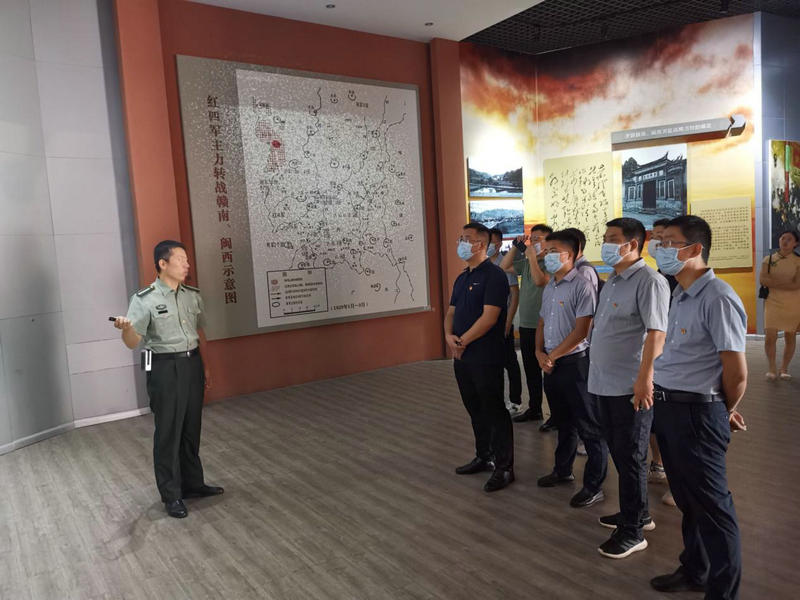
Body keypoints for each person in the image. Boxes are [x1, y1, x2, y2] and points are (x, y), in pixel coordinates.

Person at [649, 216, 747, 599]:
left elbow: (736, 373)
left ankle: (722, 591)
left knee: (713, 507)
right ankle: (695, 569)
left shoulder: (718, 297)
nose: (659, 248)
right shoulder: (679, 292)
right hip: (670, 408)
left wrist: (721, 410)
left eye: (668, 242)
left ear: (694, 249)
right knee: (688, 500)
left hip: (697, 414)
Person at [113, 240, 223, 518]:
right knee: (168, 432)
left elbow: (200, 333)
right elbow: (133, 342)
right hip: (164, 368)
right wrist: (125, 329)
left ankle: (193, 483)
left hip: (192, 364)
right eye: (181, 259)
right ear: (163, 264)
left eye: (187, 260)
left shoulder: (192, 296)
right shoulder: (144, 299)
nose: (187, 265)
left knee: (191, 427)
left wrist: (206, 366)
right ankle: (171, 495)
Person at [589, 218, 670, 559]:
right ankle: (637, 512)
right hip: (604, 383)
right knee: (621, 453)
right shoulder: (613, 280)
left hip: (630, 385)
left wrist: (645, 378)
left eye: (613, 239)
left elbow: (656, 333)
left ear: (633, 244)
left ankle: (633, 530)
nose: (606, 244)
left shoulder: (650, 281)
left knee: (633, 456)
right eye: (605, 237)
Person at [535, 230, 607, 508]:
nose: (547, 255)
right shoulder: (551, 286)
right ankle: (563, 470)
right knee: (563, 422)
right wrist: (539, 352)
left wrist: (552, 356)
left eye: (554, 251)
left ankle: (594, 485)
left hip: (575, 363)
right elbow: (542, 322)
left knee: (589, 425)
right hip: (551, 364)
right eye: (546, 250)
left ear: (571, 254)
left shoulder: (582, 284)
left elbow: (582, 330)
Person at [445, 223, 514, 492]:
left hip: (485, 356)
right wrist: (448, 336)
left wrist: (462, 341)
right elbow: (451, 312)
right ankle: (484, 455)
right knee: (474, 407)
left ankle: (505, 467)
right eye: (461, 238)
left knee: (494, 409)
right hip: (462, 356)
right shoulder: (463, 277)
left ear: (481, 245)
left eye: (467, 239)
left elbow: (489, 318)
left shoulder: (494, 276)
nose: (461, 243)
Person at [499, 224, 553, 425]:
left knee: (550, 371)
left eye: (538, 239)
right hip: (527, 324)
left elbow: (540, 281)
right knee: (530, 370)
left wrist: (531, 257)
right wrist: (516, 246)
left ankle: (556, 414)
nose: (534, 242)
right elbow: (504, 266)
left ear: (549, 242)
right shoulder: (528, 262)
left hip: (545, 325)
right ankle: (535, 408)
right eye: (532, 238)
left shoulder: (551, 264)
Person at [488, 228, 523, 414]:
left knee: (509, 362)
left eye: (491, 242)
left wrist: (508, 323)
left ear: (499, 244)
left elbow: (514, 295)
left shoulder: (504, 263)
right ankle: (496, 400)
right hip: (486, 323)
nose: (487, 246)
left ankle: (515, 400)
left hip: (503, 322)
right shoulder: (483, 264)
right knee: (492, 363)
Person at [760, 230, 800, 380]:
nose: (785, 241)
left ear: (795, 243)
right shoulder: (768, 259)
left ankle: (784, 368)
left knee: (790, 336)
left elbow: (797, 285)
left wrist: (774, 282)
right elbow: (763, 280)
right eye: (783, 238)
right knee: (770, 336)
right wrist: (787, 283)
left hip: (794, 303)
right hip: (772, 302)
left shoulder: (798, 261)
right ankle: (772, 368)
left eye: (789, 239)